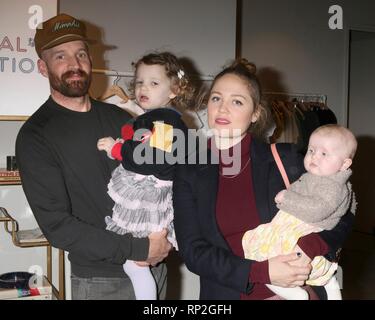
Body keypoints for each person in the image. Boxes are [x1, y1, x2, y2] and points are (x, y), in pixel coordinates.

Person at [15, 13, 172, 300]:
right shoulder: (35, 136)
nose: (74, 65)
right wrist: (139, 249)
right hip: (101, 281)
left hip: (156, 267)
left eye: (81, 54)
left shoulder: (119, 117)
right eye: (60, 56)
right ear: (42, 66)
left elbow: (158, 178)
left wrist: (166, 238)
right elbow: (58, 227)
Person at [173, 59, 355, 300]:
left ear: (255, 113)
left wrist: (312, 247)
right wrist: (264, 272)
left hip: (295, 289)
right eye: (216, 98)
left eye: (237, 101)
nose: (223, 108)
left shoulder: (286, 159)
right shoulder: (189, 171)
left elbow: (345, 208)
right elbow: (193, 251)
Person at [97, 52, 195, 300]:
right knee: (135, 264)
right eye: (140, 82)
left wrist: (117, 149)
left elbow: (151, 158)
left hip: (150, 195)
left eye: (154, 83)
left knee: (136, 264)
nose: (144, 88)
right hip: (151, 190)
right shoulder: (155, 118)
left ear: (174, 90)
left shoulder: (164, 121)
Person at [242, 124, 357, 300]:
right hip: (298, 223)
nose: (314, 157)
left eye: (324, 153)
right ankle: (329, 283)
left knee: (264, 250)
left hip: (305, 226)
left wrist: (287, 198)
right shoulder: (316, 177)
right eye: (311, 150)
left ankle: (292, 292)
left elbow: (318, 209)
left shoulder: (333, 185)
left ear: (344, 164)